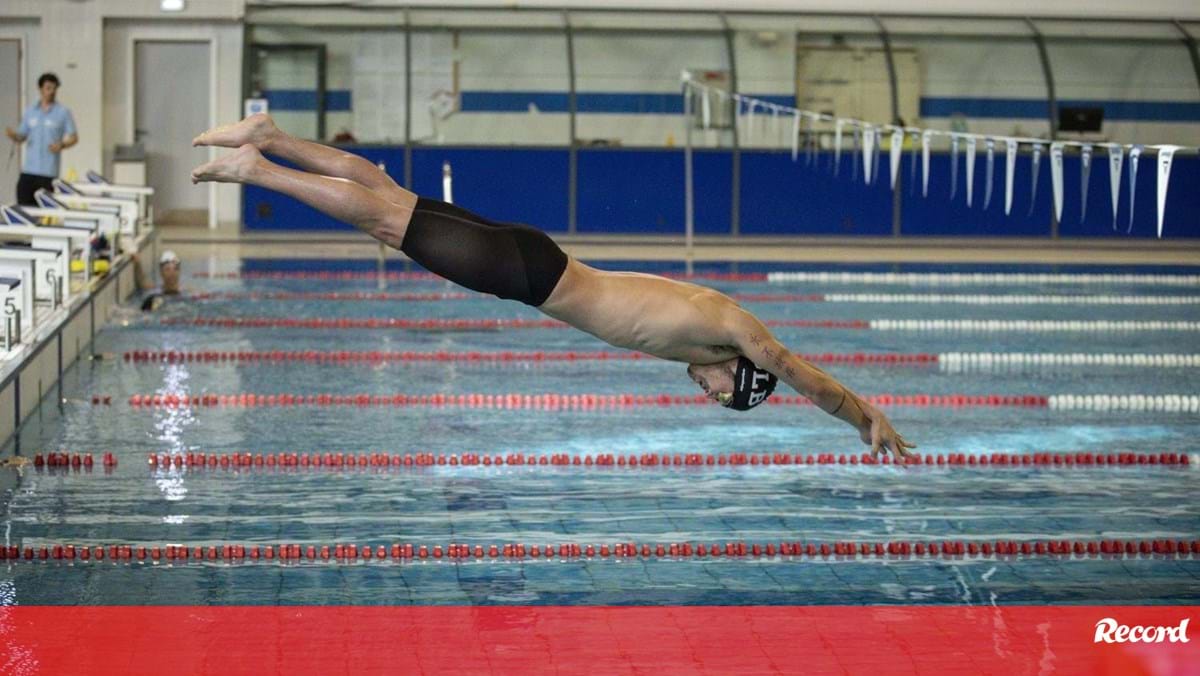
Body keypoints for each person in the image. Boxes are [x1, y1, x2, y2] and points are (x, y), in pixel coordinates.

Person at [191, 115, 915, 458]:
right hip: (528, 274)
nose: (705, 393)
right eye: (721, 393)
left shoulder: (707, 326)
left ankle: (274, 137)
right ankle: (259, 168)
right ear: (741, 373)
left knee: (393, 197)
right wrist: (861, 416)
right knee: (389, 224)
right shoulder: (735, 333)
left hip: (540, 259)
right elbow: (797, 371)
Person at [5, 73, 78, 205]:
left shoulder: (63, 112)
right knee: (24, 208)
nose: (52, 92)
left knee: (43, 212)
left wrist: (62, 145)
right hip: (28, 170)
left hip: (48, 172)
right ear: (41, 89)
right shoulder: (30, 111)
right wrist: (14, 135)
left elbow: (74, 137)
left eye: (54, 89)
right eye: (48, 88)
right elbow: (22, 136)